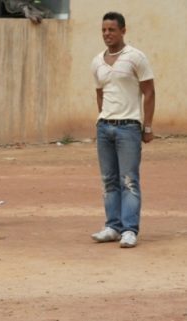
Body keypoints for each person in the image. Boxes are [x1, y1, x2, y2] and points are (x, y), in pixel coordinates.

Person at [90, 12, 155, 248]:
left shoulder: (135, 57)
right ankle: (112, 226)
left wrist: (146, 126)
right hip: (104, 127)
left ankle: (129, 229)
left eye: (112, 30)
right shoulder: (97, 61)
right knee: (109, 180)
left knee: (129, 180)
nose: (107, 34)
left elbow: (149, 91)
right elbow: (100, 93)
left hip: (129, 127)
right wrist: (103, 119)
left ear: (123, 31)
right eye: (104, 30)